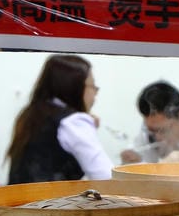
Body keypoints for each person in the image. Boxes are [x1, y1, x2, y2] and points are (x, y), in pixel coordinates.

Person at [6, 54, 113, 184]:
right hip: (50, 197)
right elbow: (106, 176)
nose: (95, 92)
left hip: (18, 195)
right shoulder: (73, 121)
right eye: (93, 85)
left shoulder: (31, 114)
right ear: (76, 87)